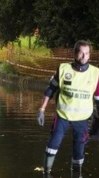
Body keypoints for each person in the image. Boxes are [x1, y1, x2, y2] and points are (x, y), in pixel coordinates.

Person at [37, 40, 99, 176]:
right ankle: (46, 173)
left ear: (90, 56)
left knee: (79, 150)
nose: (84, 56)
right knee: (53, 143)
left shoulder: (96, 74)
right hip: (62, 116)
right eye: (81, 53)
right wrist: (42, 109)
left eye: (87, 53)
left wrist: (98, 121)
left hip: (82, 120)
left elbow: (98, 99)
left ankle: (76, 173)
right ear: (74, 53)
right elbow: (50, 89)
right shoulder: (63, 69)